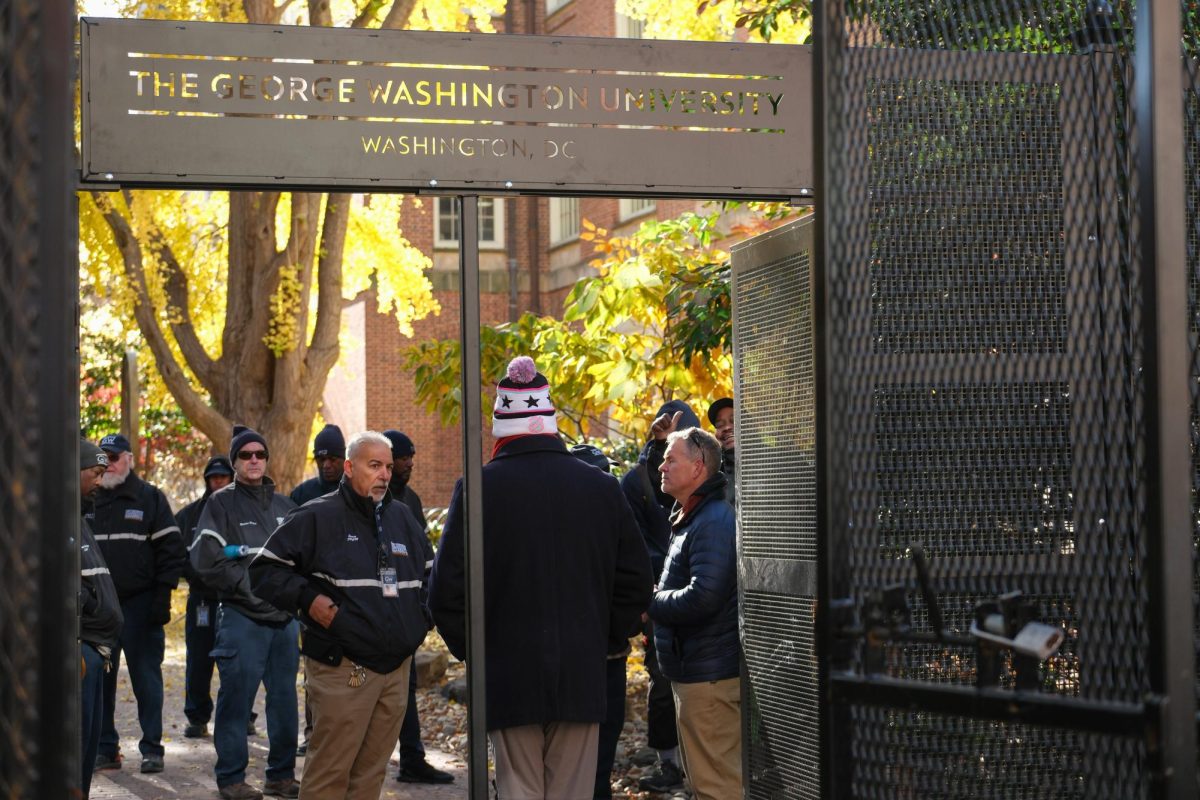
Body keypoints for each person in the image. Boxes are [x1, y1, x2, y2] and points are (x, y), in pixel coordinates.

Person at [430, 356, 653, 800]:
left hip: (507, 673)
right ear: (550, 421)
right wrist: (604, 636)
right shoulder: (601, 487)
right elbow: (636, 580)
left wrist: (478, 649)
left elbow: (446, 592)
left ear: (500, 425)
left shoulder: (478, 488)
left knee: (517, 791)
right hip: (582, 670)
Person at [251, 431, 433, 800]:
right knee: (329, 775)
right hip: (343, 668)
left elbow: (433, 577)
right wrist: (309, 599)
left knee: (371, 774)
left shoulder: (402, 517)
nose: (384, 474)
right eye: (374, 465)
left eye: (387, 466)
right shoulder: (318, 515)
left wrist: (418, 624)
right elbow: (264, 571)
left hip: (395, 671)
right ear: (350, 468)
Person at [191, 426, 301, 800]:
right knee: (237, 701)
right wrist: (252, 593)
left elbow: (304, 562)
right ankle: (232, 780)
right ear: (235, 461)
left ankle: (281, 776)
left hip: (285, 623)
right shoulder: (220, 504)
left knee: (285, 701)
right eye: (245, 455)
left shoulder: (287, 508)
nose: (254, 460)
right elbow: (206, 560)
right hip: (242, 620)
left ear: (267, 459)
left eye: (260, 454)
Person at [648, 428, 740, 800]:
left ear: (698, 467)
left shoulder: (713, 520)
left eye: (671, 459)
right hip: (697, 674)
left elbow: (704, 596)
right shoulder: (691, 516)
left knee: (717, 788)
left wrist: (651, 601)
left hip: (709, 679)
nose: (662, 466)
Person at [89, 432, 184, 775]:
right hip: (99, 609)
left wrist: (162, 596)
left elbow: (172, 552)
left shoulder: (150, 499)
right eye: (102, 458)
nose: (108, 464)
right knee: (100, 682)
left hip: (142, 606)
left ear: (129, 459)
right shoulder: (88, 500)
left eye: (114, 457)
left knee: (147, 681)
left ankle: (152, 749)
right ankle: (105, 748)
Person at [618, 400, 700, 793]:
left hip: (706, 599)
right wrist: (648, 594)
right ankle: (669, 761)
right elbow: (630, 540)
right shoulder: (639, 482)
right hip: (658, 598)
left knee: (706, 687)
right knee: (663, 678)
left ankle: (701, 767)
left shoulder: (713, 483)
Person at [382, 429, 453, 785]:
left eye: (412, 456)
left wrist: (424, 611)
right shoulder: (363, 499)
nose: (409, 463)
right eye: (403, 457)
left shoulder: (410, 500)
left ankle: (411, 759)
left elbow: (425, 559)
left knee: (404, 687)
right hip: (370, 615)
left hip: (405, 613)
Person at [568, 443, 638, 800]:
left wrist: (617, 629)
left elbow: (633, 582)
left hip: (609, 657)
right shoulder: (563, 529)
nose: (607, 480)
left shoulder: (617, 518)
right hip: (584, 660)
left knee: (600, 762)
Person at [176, 455, 234, 739]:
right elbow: (175, 554)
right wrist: (196, 574)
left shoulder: (242, 512)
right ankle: (197, 717)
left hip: (236, 600)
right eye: (214, 477)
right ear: (207, 480)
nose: (218, 482)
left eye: (223, 477)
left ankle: (242, 715)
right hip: (201, 600)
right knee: (198, 661)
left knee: (237, 661)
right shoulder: (189, 516)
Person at [79, 439, 123, 798]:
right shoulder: (50, 517)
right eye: (94, 473)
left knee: (88, 752)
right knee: (74, 753)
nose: (99, 481)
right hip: (80, 652)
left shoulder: (78, 517)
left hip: (96, 652)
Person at [289, 424, 345, 506]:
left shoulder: (358, 492)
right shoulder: (300, 494)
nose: (326, 465)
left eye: (332, 459)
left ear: (344, 460)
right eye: (321, 460)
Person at [707, 398, 736, 507]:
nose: (727, 428)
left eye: (733, 420)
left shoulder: (772, 461)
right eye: (719, 425)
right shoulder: (713, 474)